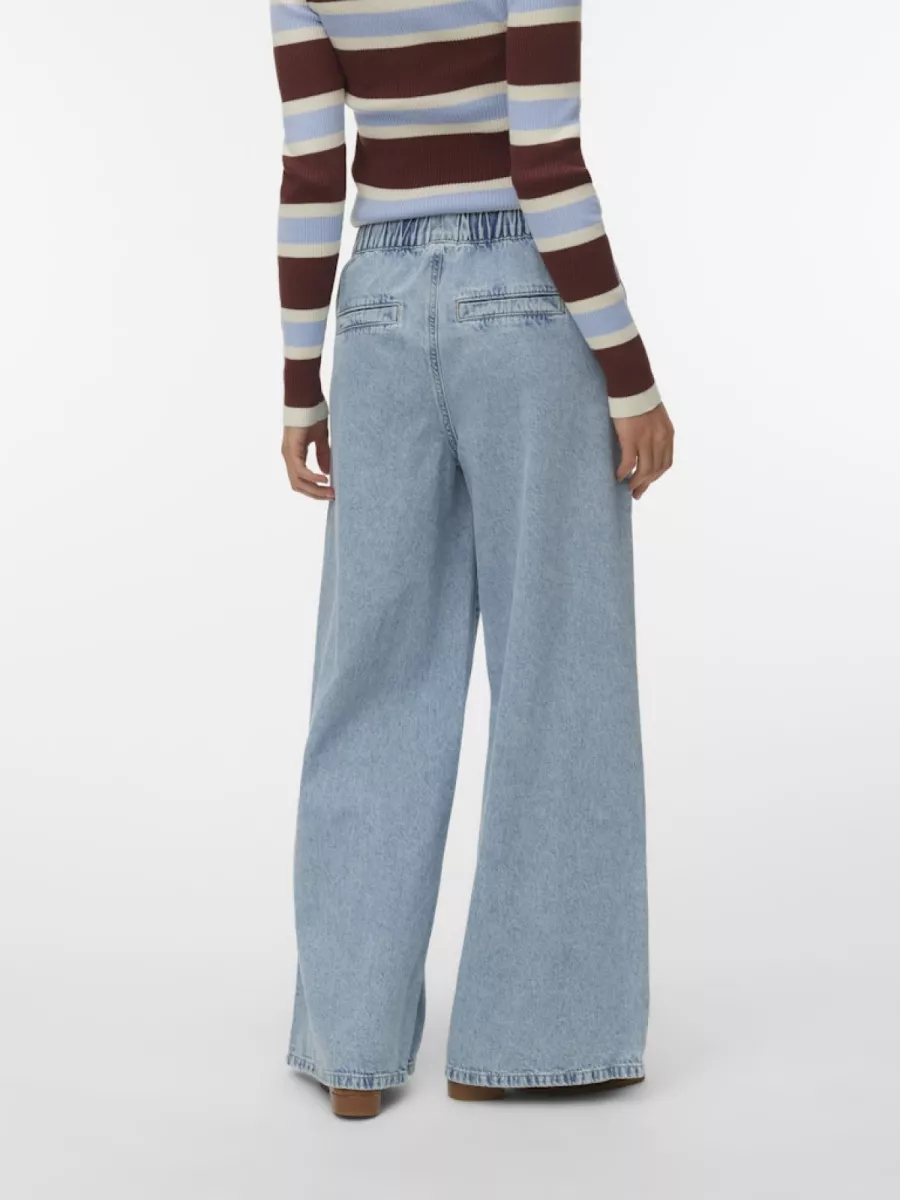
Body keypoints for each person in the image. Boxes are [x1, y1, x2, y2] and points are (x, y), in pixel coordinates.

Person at [270, 0, 674, 1119]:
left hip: (374, 313)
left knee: (372, 678)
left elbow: (312, 173)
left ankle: (351, 1050)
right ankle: (540, 1039)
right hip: (524, 299)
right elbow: (543, 162)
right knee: (559, 670)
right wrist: (631, 375)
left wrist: (302, 384)